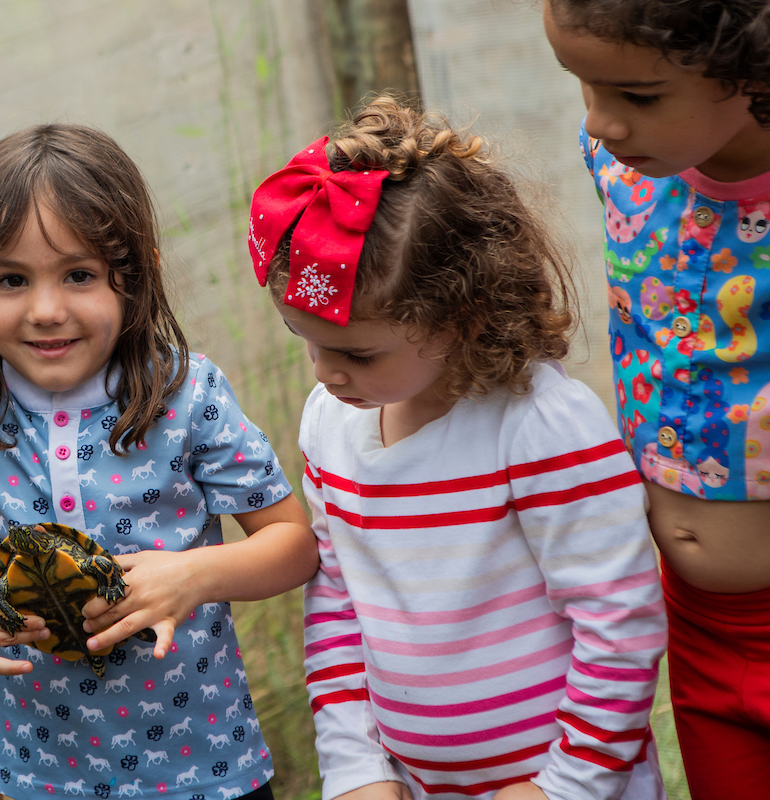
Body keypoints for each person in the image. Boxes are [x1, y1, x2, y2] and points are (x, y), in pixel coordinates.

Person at [248, 96, 668, 800]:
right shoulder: (331, 422)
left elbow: (617, 625)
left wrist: (561, 787)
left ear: (460, 318)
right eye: (307, 342)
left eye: (357, 353)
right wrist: (357, 770)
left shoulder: (541, 427)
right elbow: (338, 607)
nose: (324, 374)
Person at [0, 123, 318, 800]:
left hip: (200, 765)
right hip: (36, 771)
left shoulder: (185, 394)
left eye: (80, 275)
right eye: (11, 279)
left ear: (134, 273)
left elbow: (293, 546)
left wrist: (194, 575)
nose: (46, 309)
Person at [542, 1, 770, 794]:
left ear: (753, 68)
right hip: (693, 626)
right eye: (582, 85)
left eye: (637, 97)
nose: (602, 124)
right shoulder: (625, 168)